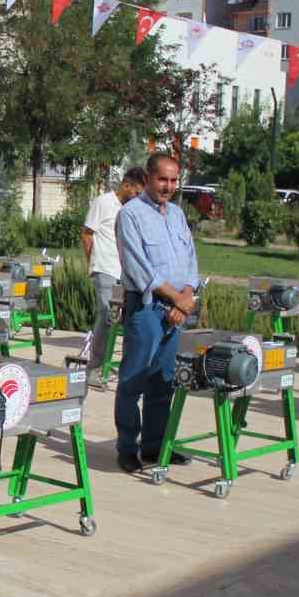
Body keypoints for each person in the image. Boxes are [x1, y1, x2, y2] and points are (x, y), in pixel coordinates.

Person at [113, 153, 199, 473]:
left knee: (163, 381)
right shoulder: (131, 215)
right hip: (147, 309)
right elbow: (139, 269)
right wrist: (177, 299)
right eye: (163, 179)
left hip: (176, 309)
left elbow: (191, 258)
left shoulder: (176, 215)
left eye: (174, 180)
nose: (168, 186)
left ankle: (155, 446)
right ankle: (126, 447)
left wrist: (185, 296)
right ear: (148, 178)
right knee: (133, 379)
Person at [82, 167, 146, 386]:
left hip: (124, 272)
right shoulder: (103, 202)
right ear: (126, 186)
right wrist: (91, 263)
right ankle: (94, 369)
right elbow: (87, 234)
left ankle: (117, 368)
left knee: (125, 319)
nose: (138, 197)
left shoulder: (131, 210)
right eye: (137, 192)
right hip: (104, 268)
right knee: (107, 316)